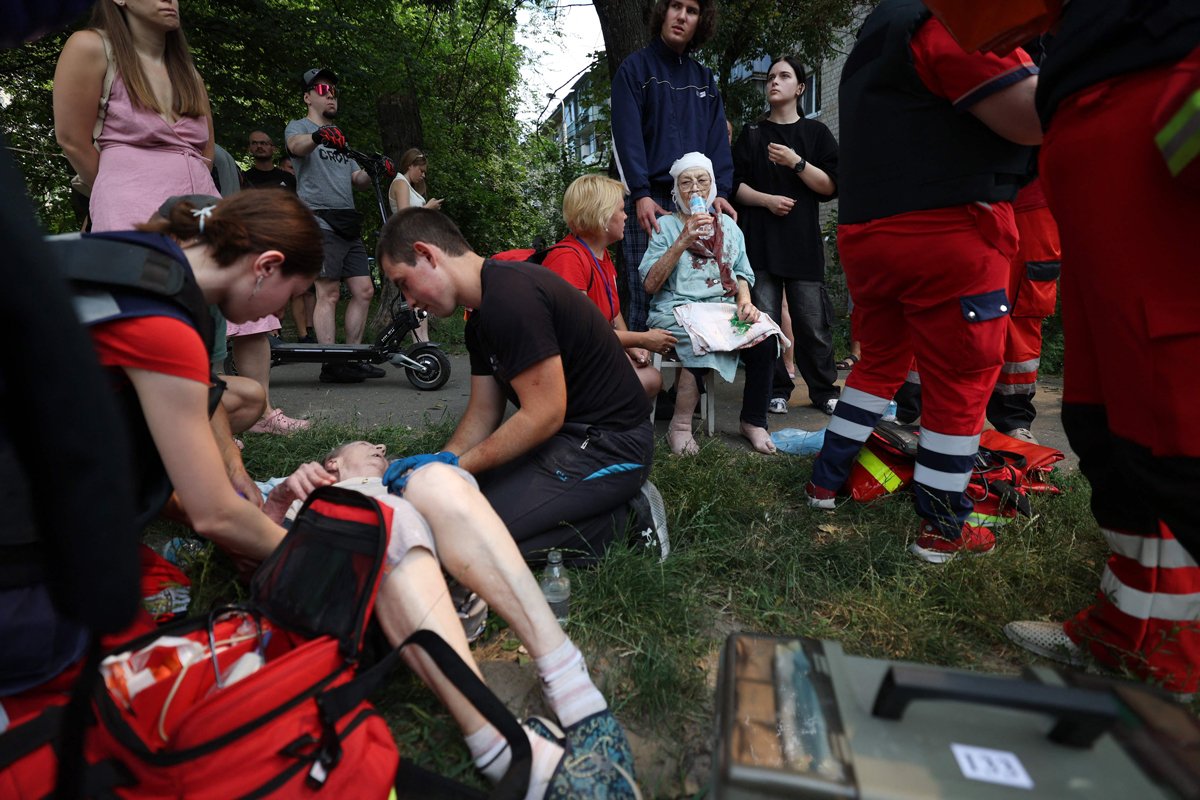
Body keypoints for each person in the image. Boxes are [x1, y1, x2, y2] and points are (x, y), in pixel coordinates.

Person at [993, 0, 1200, 696]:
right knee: (1106, 424)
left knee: (1177, 426)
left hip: (1164, 98)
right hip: (1097, 137)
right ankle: (1130, 632)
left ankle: (1176, 658)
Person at [805, 0, 1041, 564]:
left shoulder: (876, 33)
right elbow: (1031, 116)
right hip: (945, 226)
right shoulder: (949, 22)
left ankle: (823, 485)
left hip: (868, 234)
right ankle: (942, 530)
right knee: (960, 380)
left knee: (878, 364)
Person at [262, 445, 639, 797]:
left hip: (439, 588)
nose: (380, 449)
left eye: (382, 447)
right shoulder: (304, 495)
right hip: (356, 604)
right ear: (332, 463)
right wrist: (279, 501)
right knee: (386, 515)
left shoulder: (396, 484)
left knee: (435, 479)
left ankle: (566, 674)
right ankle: (495, 743)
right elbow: (256, 557)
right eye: (366, 446)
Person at [377, 208, 659, 565]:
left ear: (427, 254)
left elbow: (544, 415)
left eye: (403, 283)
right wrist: (440, 465)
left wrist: (458, 464)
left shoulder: (512, 296)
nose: (410, 302)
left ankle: (629, 520)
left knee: (468, 543)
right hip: (564, 441)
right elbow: (483, 413)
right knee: (453, 505)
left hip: (613, 445)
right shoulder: (479, 319)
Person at [84, 191, 321, 569]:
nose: (281, 311)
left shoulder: (150, 260)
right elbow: (215, 514)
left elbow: (200, 398)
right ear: (266, 266)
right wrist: (332, 564)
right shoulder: (163, 322)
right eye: (290, 294)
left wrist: (233, 469)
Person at [640, 152, 780, 456]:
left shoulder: (728, 227)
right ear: (676, 192)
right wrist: (682, 241)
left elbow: (741, 272)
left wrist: (744, 301)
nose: (694, 190)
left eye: (701, 182)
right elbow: (650, 285)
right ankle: (680, 426)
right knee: (702, 340)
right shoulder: (665, 228)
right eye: (685, 183)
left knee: (766, 339)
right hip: (675, 309)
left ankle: (753, 421)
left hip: (722, 309)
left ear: (711, 187)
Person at [611, 0, 736, 333]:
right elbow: (626, 138)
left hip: (698, 201)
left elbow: (717, 143)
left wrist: (720, 192)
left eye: (692, 10)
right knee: (646, 291)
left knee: (700, 289)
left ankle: (690, 382)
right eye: (675, 6)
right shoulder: (634, 69)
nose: (682, 16)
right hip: (649, 199)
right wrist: (639, 194)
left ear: (700, 22)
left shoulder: (704, 79)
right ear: (662, 13)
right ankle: (644, 382)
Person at [733, 56, 841, 417]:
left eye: (784, 76)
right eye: (771, 77)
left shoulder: (816, 134)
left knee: (812, 324)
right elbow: (734, 188)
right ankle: (775, 388)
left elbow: (830, 186)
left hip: (802, 246)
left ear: (801, 88)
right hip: (760, 244)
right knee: (766, 324)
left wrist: (796, 162)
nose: (774, 82)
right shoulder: (751, 134)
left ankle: (823, 389)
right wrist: (767, 201)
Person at [53, 0, 218, 232]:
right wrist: (118, 188)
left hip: (202, 211)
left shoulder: (190, 74)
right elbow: (71, 139)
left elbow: (207, 151)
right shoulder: (91, 47)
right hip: (129, 212)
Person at [285, 67, 382, 384]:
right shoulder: (299, 127)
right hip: (318, 219)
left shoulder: (339, 136)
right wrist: (315, 137)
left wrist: (375, 169)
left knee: (364, 290)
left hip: (347, 220)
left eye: (334, 91)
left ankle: (351, 358)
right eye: (323, 88)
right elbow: (296, 147)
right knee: (327, 293)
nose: (331, 94)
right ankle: (330, 363)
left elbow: (358, 180)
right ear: (308, 96)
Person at [541, 174, 674, 399]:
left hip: (593, 349)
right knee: (648, 381)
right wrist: (641, 339)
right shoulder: (568, 259)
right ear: (601, 215)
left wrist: (630, 347)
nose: (626, 216)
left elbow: (613, 313)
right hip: (570, 361)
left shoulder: (601, 255)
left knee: (651, 379)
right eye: (621, 210)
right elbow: (578, 334)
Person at [388, 148, 442, 343]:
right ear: (410, 165)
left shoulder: (408, 185)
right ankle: (420, 342)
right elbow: (404, 215)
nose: (423, 174)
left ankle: (422, 340)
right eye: (421, 170)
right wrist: (427, 208)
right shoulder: (400, 183)